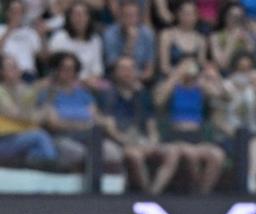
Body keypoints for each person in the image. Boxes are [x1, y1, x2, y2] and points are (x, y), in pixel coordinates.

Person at [102, 56, 182, 193]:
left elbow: (151, 124)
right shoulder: (108, 95)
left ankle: (154, 193)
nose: (128, 72)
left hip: (142, 141)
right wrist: (127, 142)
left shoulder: (143, 95)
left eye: (131, 69)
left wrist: (153, 141)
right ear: (115, 73)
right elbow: (110, 128)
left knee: (173, 152)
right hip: (120, 142)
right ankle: (145, 194)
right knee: (135, 156)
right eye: (123, 69)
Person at [38, 51, 123, 172]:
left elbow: (95, 117)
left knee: (113, 152)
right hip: (62, 138)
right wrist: (84, 125)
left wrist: (105, 122)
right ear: (56, 70)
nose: (69, 72)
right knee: (82, 155)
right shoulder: (47, 94)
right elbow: (54, 123)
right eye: (64, 68)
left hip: (88, 138)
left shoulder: (84, 94)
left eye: (72, 69)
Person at [153, 56, 226, 192]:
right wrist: (176, 75)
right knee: (189, 155)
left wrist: (213, 76)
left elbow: (222, 95)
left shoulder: (201, 87)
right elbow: (158, 100)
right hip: (176, 136)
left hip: (197, 136)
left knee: (217, 155)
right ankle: (153, 193)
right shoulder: (172, 86)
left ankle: (203, 194)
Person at [212, 49, 256, 192]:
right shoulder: (225, 88)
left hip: (252, 136)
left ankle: (252, 184)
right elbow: (217, 119)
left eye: (248, 70)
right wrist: (235, 133)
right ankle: (249, 187)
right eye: (241, 70)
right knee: (254, 147)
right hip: (229, 136)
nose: (244, 74)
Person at [0, 53, 58, 168]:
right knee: (40, 136)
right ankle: (54, 169)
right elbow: (16, 114)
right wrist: (35, 89)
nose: (18, 70)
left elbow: (37, 119)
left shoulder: (24, 88)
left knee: (37, 150)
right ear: (1, 72)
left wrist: (49, 98)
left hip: (22, 137)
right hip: (4, 140)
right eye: (12, 67)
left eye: (17, 66)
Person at [47, 1, 104, 88]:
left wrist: (91, 80)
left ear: (89, 18)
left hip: (89, 82)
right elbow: (54, 67)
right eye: (75, 15)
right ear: (69, 18)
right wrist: (79, 81)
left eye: (83, 15)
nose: (79, 18)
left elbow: (97, 69)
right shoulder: (59, 37)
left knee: (108, 90)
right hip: (65, 82)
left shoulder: (95, 40)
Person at [103, 0, 156, 82]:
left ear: (138, 17)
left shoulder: (147, 33)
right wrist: (130, 42)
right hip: (116, 79)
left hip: (140, 78)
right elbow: (113, 67)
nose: (129, 19)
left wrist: (137, 78)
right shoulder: (110, 33)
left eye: (132, 16)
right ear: (120, 17)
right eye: (126, 16)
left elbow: (149, 70)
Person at [157, 0, 207, 78]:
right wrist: (181, 72)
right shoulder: (167, 35)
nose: (187, 17)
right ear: (178, 14)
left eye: (191, 14)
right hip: (171, 78)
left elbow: (201, 66)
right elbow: (164, 68)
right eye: (184, 13)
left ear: (196, 16)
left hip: (193, 79)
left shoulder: (201, 39)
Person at [0, 0, 45, 80]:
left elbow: (42, 57)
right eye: (14, 12)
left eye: (20, 12)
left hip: (28, 74)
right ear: (7, 13)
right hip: (7, 75)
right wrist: (10, 29)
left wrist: (41, 36)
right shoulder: (1, 29)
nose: (17, 15)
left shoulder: (30, 32)